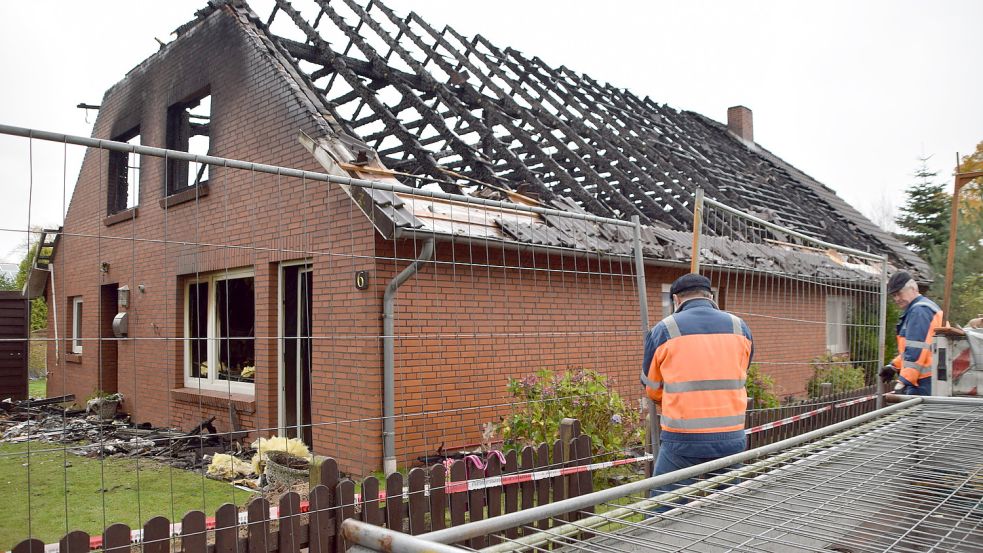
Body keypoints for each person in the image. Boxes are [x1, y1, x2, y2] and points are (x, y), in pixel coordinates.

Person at [640, 273, 753, 505]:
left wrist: (673, 399)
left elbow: (651, 387)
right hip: (731, 437)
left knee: (663, 510)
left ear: (676, 300)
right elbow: (742, 372)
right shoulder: (739, 327)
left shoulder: (664, 329)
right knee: (729, 508)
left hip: (683, 439)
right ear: (710, 296)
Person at [878, 271, 943, 395]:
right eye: (894, 295)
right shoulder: (923, 308)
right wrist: (895, 365)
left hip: (925, 382)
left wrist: (904, 381)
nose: (896, 299)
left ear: (913, 288)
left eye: (899, 293)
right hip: (931, 378)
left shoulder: (919, 311)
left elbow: (917, 349)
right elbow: (915, 349)